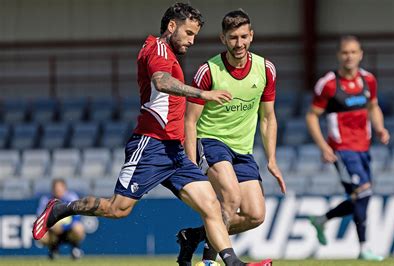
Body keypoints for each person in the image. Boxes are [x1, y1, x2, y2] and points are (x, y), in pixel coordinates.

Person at [32, 3, 270, 266]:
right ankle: (61, 209)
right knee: (117, 209)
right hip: (151, 145)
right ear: (172, 26)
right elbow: (161, 82)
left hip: (174, 150)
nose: (192, 41)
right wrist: (202, 93)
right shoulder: (156, 50)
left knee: (212, 206)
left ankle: (232, 263)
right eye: (189, 33)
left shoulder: (168, 52)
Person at [175, 10, 286, 266]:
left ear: (252, 36)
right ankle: (209, 261)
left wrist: (272, 159)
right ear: (223, 38)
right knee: (231, 198)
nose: (239, 43)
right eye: (233, 37)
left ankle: (193, 236)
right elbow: (189, 121)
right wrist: (191, 164)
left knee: (255, 215)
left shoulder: (266, 69)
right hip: (211, 141)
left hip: (243, 150)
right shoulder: (208, 71)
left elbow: (268, 118)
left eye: (244, 37)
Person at [305, 35, 390, 261]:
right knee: (363, 191)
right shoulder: (329, 84)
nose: (349, 56)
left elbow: (373, 107)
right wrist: (324, 146)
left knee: (360, 196)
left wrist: (380, 128)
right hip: (342, 149)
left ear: (361, 54)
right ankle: (364, 248)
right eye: (345, 52)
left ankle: (322, 220)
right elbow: (312, 116)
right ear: (338, 55)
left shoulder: (368, 80)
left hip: (364, 147)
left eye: (353, 52)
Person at [36, 178, 85, 260]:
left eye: (59, 188)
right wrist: (52, 227)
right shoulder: (46, 200)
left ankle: (75, 248)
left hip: (69, 229)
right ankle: (53, 249)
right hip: (53, 230)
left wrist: (64, 227)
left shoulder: (71, 197)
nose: (57, 191)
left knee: (78, 228)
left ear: (65, 188)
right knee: (41, 237)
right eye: (55, 189)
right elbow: (40, 217)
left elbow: (77, 216)